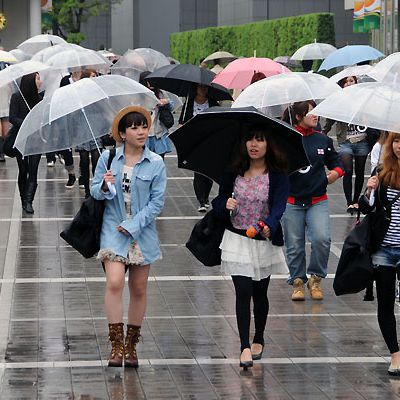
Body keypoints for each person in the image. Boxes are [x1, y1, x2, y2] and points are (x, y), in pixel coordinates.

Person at [91, 105, 166, 368]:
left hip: (142, 232)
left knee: (138, 289)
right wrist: (102, 184)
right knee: (114, 282)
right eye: (134, 127)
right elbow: (95, 192)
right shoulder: (108, 158)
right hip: (112, 229)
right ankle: (116, 345)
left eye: (144, 126)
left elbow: (157, 204)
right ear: (122, 133)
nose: (141, 131)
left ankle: (132, 345)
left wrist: (134, 225)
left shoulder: (156, 163)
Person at [212, 126, 289, 370]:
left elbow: (279, 206)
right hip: (236, 237)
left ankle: (259, 337)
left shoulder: (277, 174)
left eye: (259, 140)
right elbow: (218, 201)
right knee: (243, 290)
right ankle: (244, 346)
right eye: (250, 140)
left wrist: (269, 225)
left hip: (262, 240)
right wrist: (225, 203)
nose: (254, 145)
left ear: (268, 145)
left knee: (259, 293)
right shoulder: (233, 170)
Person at [282, 100, 344, 301]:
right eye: (310, 112)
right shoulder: (287, 138)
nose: (316, 115)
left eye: (316, 111)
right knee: (294, 245)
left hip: (318, 200)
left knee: (321, 239)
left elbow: (336, 162)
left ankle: (316, 279)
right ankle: (298, 282)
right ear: (298, 116)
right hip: (292, 201)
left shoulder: (322, 139)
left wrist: (336, 173)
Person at [359, 131, 400, 375]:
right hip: (384, 248)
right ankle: (395, 353)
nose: (399, 146)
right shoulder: (381, 172)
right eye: (396, 140)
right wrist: (370, 190)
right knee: (385, 303)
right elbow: (365, 207)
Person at [323, 76, 372, 215]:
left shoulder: (363, 101)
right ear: (342, 85)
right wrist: (323, 132)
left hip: (362, 140)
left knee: (360, 172)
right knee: (348, 170)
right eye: (346, 81)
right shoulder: (339, 101)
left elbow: (371, 117)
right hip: (346, 142)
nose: (349, 83)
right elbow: (330, 118)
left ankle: (356, 200)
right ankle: (349, 202)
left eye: (352, 81)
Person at [178, 83, 219, 212]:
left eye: (205, 87)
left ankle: (206, 197)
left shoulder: (213, 103)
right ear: (195, 88)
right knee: (198, 171)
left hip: (210, 142)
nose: (203, 89)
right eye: (200, 87)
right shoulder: (188, 105)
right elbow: (182, 122)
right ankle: (201, 200)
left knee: (208, 172)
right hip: (194, 142)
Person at [9, 72, 43, 214]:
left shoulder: (40, 98)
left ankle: (29, 202)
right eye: (38, 78)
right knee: (24, 170)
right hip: (21, 138)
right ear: (30, 81)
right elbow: (12, 117)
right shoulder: (17, 97)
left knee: (33, 170)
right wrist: (25, 124)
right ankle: (23, 199)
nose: (40, 81)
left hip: (36, 139)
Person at [75, 69, 102, 198]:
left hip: (96, 128)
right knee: (84, 161)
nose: (94, 78)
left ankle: (95, 187)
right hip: (82, 129)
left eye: (95, 76)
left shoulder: (98, 92)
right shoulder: (78, 93)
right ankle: (86, 189)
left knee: (97, 160)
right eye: (92, 76)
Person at [139, 71, 174, 159]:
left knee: (159, 162)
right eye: (148, 81)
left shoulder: (161, 93)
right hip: (143, 134)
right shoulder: (139, 95)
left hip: (158, 134)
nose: (151, 83)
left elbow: (172, 106)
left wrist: (166, 102)